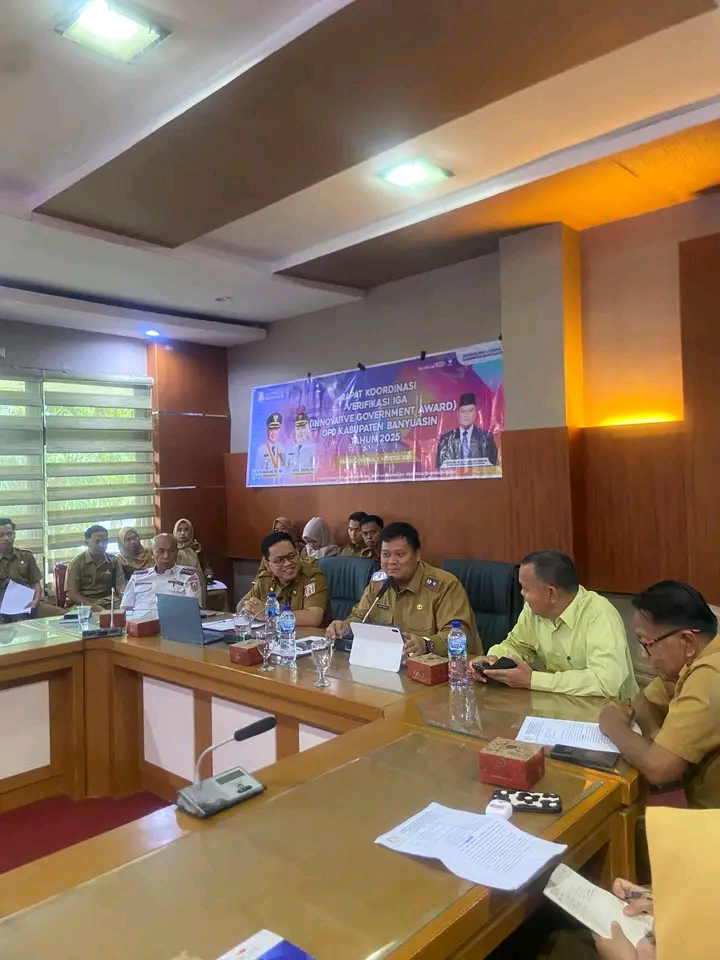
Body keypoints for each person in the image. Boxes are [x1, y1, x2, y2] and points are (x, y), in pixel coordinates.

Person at [599, 580, 720, 807]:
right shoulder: (692, 662)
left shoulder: (709, 675)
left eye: (648, 643)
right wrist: (655, 733)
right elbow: (643, 700)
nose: (646, 657)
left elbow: (660, 770)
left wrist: (613, 726)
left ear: (687, 641)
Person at [471, 551, 637, 699]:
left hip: (612, 712)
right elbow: (517, 645)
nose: (522, 594)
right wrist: (493, 661)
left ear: (551, 593)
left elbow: (606, 682)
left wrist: (532, 680)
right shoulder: (533, 610)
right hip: (561, 704)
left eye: (526, 589)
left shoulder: (599, 614)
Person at [326, 521, 479, 657]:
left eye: (400, 554)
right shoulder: (378, 581)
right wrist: (345, 627)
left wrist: (427, 644)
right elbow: (361, 617)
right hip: (388, 664)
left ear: (417, 555)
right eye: (386, 555)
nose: (391, 562)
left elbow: (459, 634)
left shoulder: (445, 585)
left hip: (438, 669)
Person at [238, 532, 329, 628]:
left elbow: (313, 618)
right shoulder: (265, 579)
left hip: (304, 636)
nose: (288, 563)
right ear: (267, 565)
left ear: (298, 554)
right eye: (279, 560)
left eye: (291, 556)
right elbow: (241, 605)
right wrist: (249, 607)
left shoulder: (312, 577)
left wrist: (269, 614)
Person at [121, 534, 201, 617]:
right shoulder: (137, 577)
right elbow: (125, 609)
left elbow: (193, 610)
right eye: (160, 551)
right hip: (139, 623)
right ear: (152, 553)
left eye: (171, 551)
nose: (166, 556)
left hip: (173, 622)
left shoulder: (188, 576)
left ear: (177, 553)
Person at [0, 517, 62, 623]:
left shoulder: (26, 556)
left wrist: (36, 600)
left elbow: (35, 582)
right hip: (2, 608)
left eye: (9, 534)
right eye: (1, 535)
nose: (6, 538)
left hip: (27, 605)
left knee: (64, 616)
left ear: (14, 535)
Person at [65, 525, 126, 612]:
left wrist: (125, 602)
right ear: (86, 543)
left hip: (109, 602)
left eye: (105, 541)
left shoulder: (114, 561)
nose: (102, 545)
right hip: (84, 604)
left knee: (126, 613)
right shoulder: (76, 563)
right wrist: (94, 607)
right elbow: (73, 595)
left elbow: (121, 588)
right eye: (97, 541)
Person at [436, 391, 498, 469]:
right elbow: (440, 469)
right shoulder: (446, 439)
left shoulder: (486, 438)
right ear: (457, 414)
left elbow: (493, 468)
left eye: (470, 411)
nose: (467, 415)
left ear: (475, 413)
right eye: (463, 411)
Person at [286, 408, 317, 476]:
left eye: (303, 428)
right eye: (297, 429)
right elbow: (287, 470)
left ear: (308, 430)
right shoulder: (290, 449)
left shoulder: (314, 447)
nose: (300, 432)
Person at [254, 412, 286, 476]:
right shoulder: (261, 450)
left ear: (279, 430)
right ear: (267, 431)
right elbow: (257, 473)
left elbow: (285, 471)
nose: (274, 433)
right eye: (271, 429)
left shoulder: (282, 449)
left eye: (276, 429)